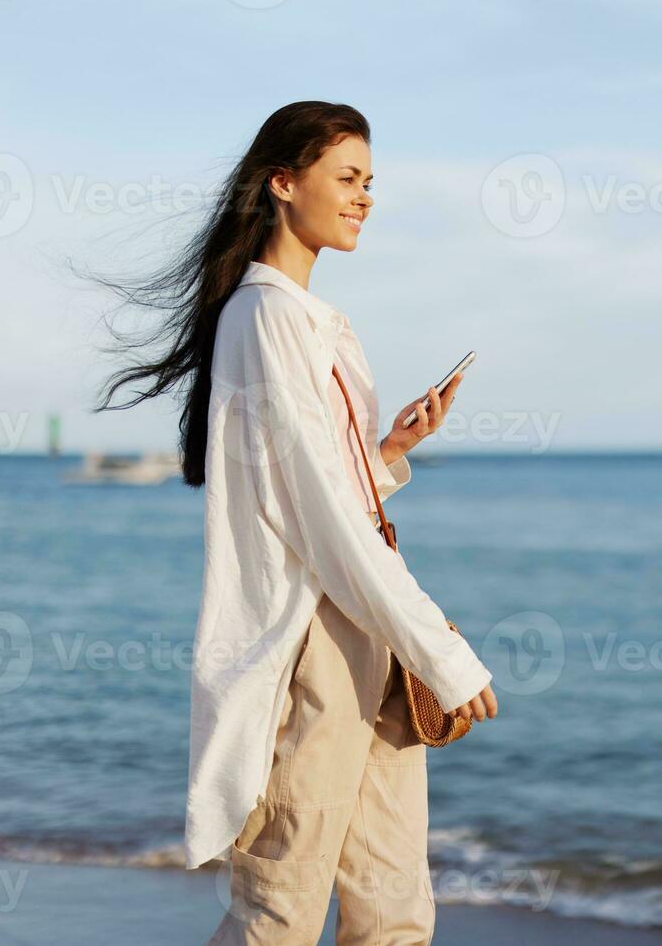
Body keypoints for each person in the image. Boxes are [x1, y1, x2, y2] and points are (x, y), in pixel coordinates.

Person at [93, 100, 498, 943]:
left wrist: (386, 451)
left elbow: (319, 496)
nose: (365, 198)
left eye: (370, 183)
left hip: (364, 626)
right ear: (283, 183)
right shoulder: (269, 315)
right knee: (281, 908)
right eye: (347, 179)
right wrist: (442, 651)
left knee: (394, 911)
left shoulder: (305, 319)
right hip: (315, 638)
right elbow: (321, 521)